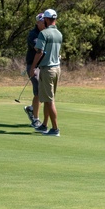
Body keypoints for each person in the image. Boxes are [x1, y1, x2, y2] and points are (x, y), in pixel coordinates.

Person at [28, 8, 63, 136]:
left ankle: (55, 129)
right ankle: (44, 125)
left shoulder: (44, 34)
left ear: (47, 20)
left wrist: (32, 67)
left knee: (49, 100)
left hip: (47, 69)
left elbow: (39, 52)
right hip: (57, 68)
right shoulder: (59, 33)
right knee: (48, 98)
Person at [23, 13, 45, 127]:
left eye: (45, 21)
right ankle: (35, 119)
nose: (44, 23)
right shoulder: (33, 34)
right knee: (38, 90)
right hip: (33, 66)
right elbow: (39, 49)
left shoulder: (47, 33)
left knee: (43, 92)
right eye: (42, 21)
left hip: (45, 66)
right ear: (37, 22)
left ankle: (31, 109)